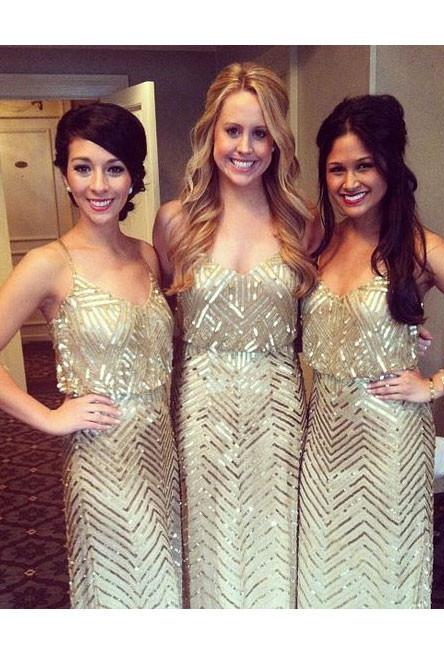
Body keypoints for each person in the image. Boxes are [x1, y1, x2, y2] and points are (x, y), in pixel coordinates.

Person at [297, 94, 444, 608]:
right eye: (337, 169)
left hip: (389, 440)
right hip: (322, 435)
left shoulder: (420, 247)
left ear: (389, 165)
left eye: (364, 165)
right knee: (322, 570)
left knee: (382, 570)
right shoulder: (321, 240)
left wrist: (435, 385)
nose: (349, 182)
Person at [0, 103, 182, 608]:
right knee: (119, 589)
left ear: (133, 178)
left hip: (161, 456)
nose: (98, 185)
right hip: (101, 462)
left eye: (114, 168)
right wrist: (48, 418)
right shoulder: (48, 263)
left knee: (165, 583)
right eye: (83, 168)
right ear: (65, 174)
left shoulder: (147, 254)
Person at [154, 62, 316, 608]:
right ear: (211, 134)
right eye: (233, 130)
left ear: (277, 142)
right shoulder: (175, 222)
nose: (245, 147)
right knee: (210, 546)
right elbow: (154, 318)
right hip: (202, 412)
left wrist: (405, 318)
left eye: (260, 133)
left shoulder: (303, 221)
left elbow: (339, 294)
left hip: (279, 413)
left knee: (274, 547)